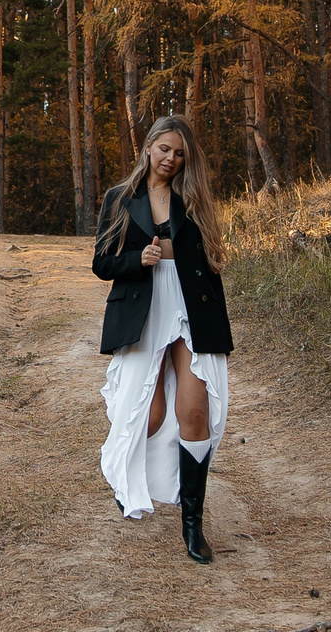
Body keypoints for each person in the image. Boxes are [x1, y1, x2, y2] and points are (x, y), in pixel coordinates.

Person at [91, 114, 232, 563]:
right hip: (144, 306)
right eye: (165, 149)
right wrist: (139, 258)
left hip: (191, 306)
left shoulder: (193, 198)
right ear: (148, 146)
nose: (171, 159)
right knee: (147, 414)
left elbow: (212, 259)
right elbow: (101, 263)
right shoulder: (120, 198)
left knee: (195, 412)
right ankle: (126, 473)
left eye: (179, 153)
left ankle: (193, 525)